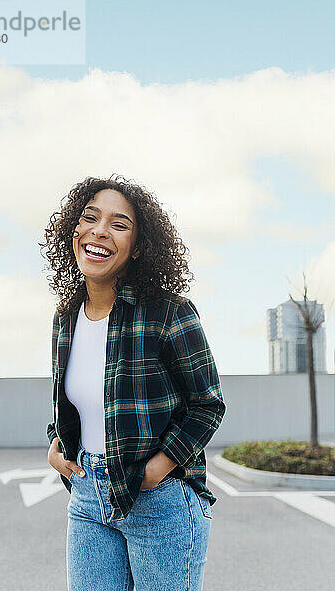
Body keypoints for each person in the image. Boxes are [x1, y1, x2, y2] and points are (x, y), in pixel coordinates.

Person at [40, 174, 226, 591]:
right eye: (90, 217)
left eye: (119, 224)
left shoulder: (168, 313)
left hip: (159, 503)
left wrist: (156, 471)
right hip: (87, 499)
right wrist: (56, 445)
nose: (100, 231)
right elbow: (78, 401)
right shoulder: (65, 319)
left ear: (139, 248)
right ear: (74, 230)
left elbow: (208, 404)